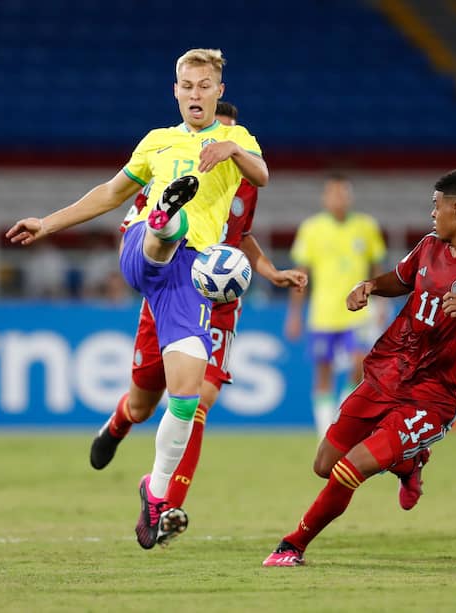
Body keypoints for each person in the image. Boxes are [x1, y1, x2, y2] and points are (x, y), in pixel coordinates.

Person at [6, 49, 268, 549]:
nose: (195, 93)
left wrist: (232, 152)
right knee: (164, 228)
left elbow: (262, 176)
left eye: (203, 85)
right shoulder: (158, 142)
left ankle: (155, 491)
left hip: (188, 282)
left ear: (218, 92)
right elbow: (108, 193)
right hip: (144, 252)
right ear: (175, 90)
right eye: (186, 85)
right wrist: (48, 222)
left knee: (181, 398)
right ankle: (166, 215)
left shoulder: (237, 140)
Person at [263, 169, 456, 567]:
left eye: (436, 206)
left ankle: (292, 545)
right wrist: (369, 286)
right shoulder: (429, 246)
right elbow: (401, 279)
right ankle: (407, 462)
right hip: (388, 374)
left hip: (432, 396)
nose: (431, 213)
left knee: (351, 469)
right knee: (325, 465)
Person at [89, 101, 307, 514]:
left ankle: (166, 506)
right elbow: (135, 225)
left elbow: (240, 236)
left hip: (221, 301)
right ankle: (118, 424)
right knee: (142, 405)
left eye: (227, 138)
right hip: (171, 293)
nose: (217, 146)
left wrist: (270, 271)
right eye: (214, 137)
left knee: (197, 400)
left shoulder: (244, 180)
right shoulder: (171, 172)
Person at [284, 174, 387, 437]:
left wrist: (382, 303)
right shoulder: (311, 228)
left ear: (350, 197)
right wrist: (294, 314)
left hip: (358, 313)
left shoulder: (366, 226)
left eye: (343, 194)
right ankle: (324, 434)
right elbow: (300, 274)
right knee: (323, 372)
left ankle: (342, 419)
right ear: (325, 198)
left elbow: (377, 267)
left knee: (360, 365)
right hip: (323, 313)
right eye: (334, 194)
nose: (339, 199)